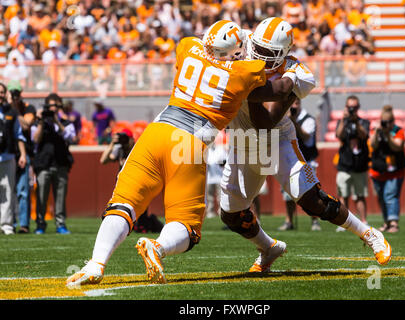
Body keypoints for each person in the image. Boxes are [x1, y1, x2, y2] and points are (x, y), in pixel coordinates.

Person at [66, 19, 296, 287]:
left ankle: (96, 263)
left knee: (123, 203)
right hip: (188, 143)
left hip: (155, 132)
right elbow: (279, 89)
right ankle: (159, 247)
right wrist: (294, 71)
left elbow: (201, 44)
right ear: (235, 51)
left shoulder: (187, 47)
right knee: (187, 226)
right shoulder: (243, 72)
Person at [221, 17, 391, 274]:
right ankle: (269, 248)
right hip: (241, 142)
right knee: (231, 214)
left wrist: (243, 84)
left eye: (268, 53)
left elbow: (267, 117)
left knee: (313, 200)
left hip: (276, 139)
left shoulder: (298, 74)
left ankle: (367, 232)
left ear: (283, 54)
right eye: (258, 47)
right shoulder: (240, 40)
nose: (259, 54)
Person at [99, 128, 164, 233]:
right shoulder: (119, 149)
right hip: (124, 183)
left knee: (141, 222)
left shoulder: (136, 149)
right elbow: (103, 160)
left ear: (131, 139)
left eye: (125, 138)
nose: (123, 141)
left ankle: (152, 222)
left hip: (138, 182)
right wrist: (112, 143)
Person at [31, 93, 76, 234]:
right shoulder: (39, 123)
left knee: (60, 197)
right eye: (51, 106)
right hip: (43, 164)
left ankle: (60, 224)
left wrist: (56, 122)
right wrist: (42, 122)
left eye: (56, 106)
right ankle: (40, 223)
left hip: (61, 164)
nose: (54, 109)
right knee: (41, 196)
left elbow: (70, 137)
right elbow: (35, 139)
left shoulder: (66, 123)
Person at [279, 98, 321, 232]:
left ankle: (315, 221)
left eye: (296, 103)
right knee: (288, 194)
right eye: (291, 103)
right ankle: (289, 220)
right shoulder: (284, 119)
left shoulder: (308, 119)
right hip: (289, 161)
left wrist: (294, 122)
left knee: (311, 192)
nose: (293, 106)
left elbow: (306, 137)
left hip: (306, 161)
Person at [369, 105, 405, 233]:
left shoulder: (398, 131)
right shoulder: (377, 130)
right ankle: (386, 221)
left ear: (393, 121)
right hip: (378, 170)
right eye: (384, 121)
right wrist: (377, 131)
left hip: (395, 170)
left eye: (389, 121)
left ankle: (394, 223)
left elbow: (397, 146)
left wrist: (388, 134)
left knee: (390, 195)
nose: (387, 124)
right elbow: (372, 145)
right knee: (381, 197)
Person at [335, 95, 370, 231]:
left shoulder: (363, 122)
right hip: (344, 164)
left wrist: (356, 121)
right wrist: (344, 119)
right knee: (343, 195)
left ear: (358, 108)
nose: (352, 109)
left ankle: (363, 221)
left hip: (360, 166)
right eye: (350, 107)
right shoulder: (343, 121)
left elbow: (364, 135)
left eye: (354, 107)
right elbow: (339, 135)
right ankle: (344, 222)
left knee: (360, 195)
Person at [8, 80, 36, 234]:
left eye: (16, 93)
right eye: (12, 93)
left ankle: (24, 224)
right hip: (8, 153)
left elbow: (26, 125)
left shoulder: (27, 108)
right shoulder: (4, 109)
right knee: (7, 192)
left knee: (23, 191)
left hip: (23, 154)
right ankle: (8, 223)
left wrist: (15, 111)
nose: (15, 96)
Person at [0, 82, 27, 235]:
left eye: (2, 92)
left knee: (8, 191)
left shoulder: (11, 111)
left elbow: (18, 134)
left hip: (7, 156)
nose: (0, 95)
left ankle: (7, 224)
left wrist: (22, 154)